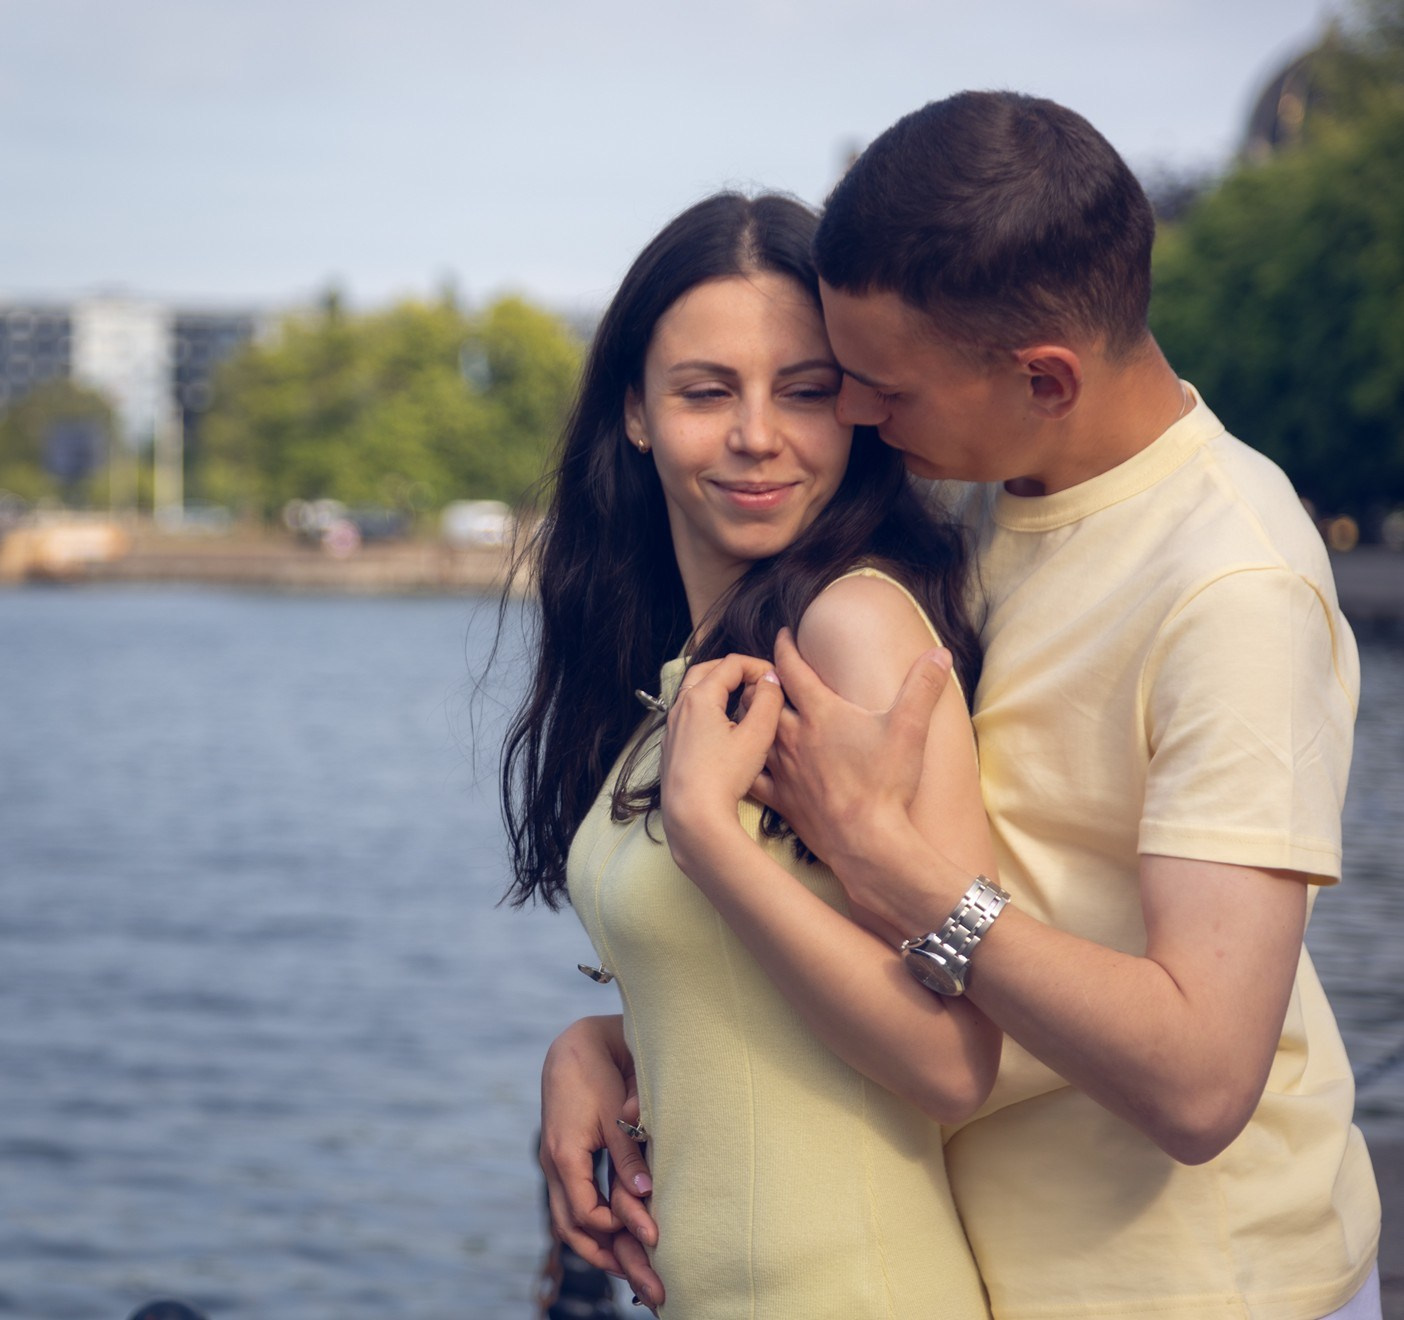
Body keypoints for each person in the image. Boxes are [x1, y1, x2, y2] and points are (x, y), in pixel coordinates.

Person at [541, 92, 1381, 1320]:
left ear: (1045, 377)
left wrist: (885, 857)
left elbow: (1203, 1083)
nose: (859, 425)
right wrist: (606, 1040)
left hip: (1196, 1284)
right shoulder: (995, 493)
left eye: (873, 387)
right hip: (985, 1260)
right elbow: (848, 957)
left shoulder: (1231, 586)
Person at [503, 190, 1005, 1317]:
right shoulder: (685, 675)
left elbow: (957, 1060)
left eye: (806, 391)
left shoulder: (853, 632)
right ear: (634, 413)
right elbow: (757, 1004)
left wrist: (708, 846)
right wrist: (600, 1042)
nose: (757, 434)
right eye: (706, 391)